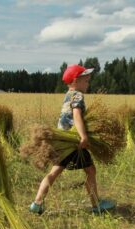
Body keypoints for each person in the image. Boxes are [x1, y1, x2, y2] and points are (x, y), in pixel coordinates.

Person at [29, 64, 106, 215]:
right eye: (86, 80)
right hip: (73, 144)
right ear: (76, 81)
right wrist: (83, 136)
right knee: (90, 170)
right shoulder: (78, 95)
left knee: (54, 172)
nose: (87, 83)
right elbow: (76, 116)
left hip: (63, 143)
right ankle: (96, 205)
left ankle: (37, 203)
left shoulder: (67, 95)